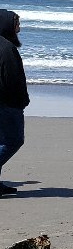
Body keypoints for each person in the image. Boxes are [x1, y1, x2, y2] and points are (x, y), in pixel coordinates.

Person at [0, 10, 29, 196]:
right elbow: (11, 80)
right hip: (7, 104)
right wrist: (21, 101)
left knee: (2, 141)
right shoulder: (6, 48)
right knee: (13, 141)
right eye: (16, 24)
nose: (19, 29)